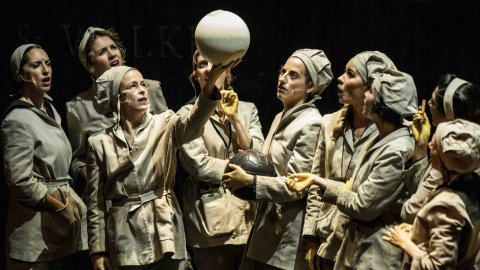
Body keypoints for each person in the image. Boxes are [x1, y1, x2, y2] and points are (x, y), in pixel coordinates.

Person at [85, 60, 238, 269]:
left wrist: (210, 84)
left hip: (164, 229)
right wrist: (98, 251)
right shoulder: (99, 142)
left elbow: (193, 120)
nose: (141, 90)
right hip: (123, 237)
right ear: (118, 98)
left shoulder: (165, 123)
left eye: (142, 84)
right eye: (132, 86)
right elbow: (95, 204)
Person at [288, 69, 417, 269]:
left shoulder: (397, 149)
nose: (366, 94)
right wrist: (318, 180)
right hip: (358, 249)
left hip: (377, 255)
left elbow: (362, 207)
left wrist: (338, 189)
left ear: (385, 103)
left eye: (371, 92)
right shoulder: (381, 140)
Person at [223, 49, 333, 270]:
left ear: (310, 87)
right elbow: (265, 160)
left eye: (293, 75)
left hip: (287, 233)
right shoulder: (281, 116)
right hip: (268, 225)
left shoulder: (310, 123)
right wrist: (234, 118)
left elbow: (298, 185)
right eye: (283, 72)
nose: (282, 78)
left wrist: (251, 183)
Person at [302, 51, 396, 270]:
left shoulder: (386, 130)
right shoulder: (329, 122)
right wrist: (312, 237)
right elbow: (317, 181)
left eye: (350, 74)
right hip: (328, 240)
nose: (340, 78)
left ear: (370, 86)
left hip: (366, 246)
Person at [2, 44, 87, 270]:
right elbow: (20, 180)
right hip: (32, 233)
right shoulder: (17, 119)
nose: (45, 70)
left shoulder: (49, 109)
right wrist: (59, 206)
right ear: (20, 75)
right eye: (36, 65)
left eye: (48, 63)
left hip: (55, 231)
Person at [177, 50, 264, 270]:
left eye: (216, 64)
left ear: (228, 72)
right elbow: (199, 165)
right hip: (210, 219)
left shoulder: (247, 109)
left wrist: (235, 118)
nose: (210, 69)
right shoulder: (186, 115)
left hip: (249, 214)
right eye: (202, 64)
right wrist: (244, 166)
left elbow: (261, 156)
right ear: (196, 74)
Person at [66, 27, 168, 195]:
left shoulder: (150, 88)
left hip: (151, 191)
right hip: (109, 200)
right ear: (91, 65)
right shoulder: (78, 106)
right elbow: (77, 160)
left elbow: (168, 136)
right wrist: (99, 178)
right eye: (102, 52)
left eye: (113, 47)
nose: (112, 54)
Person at [383, 119, 480, 269]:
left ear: (446, 158)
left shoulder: (447, 204)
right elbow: (461, 238)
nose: (429, 146)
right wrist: (418, 231)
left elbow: (439, 266)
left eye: (434, 146)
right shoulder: (473, 186)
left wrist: (406, 243)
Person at [402, 75, 480, 224]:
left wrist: (438, 167)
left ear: (448, 114)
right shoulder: (451, 149)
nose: (429, 104)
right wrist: (421, 143)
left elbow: (411, 213)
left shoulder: (455, 161)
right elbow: (417, 189)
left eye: (433, 101)